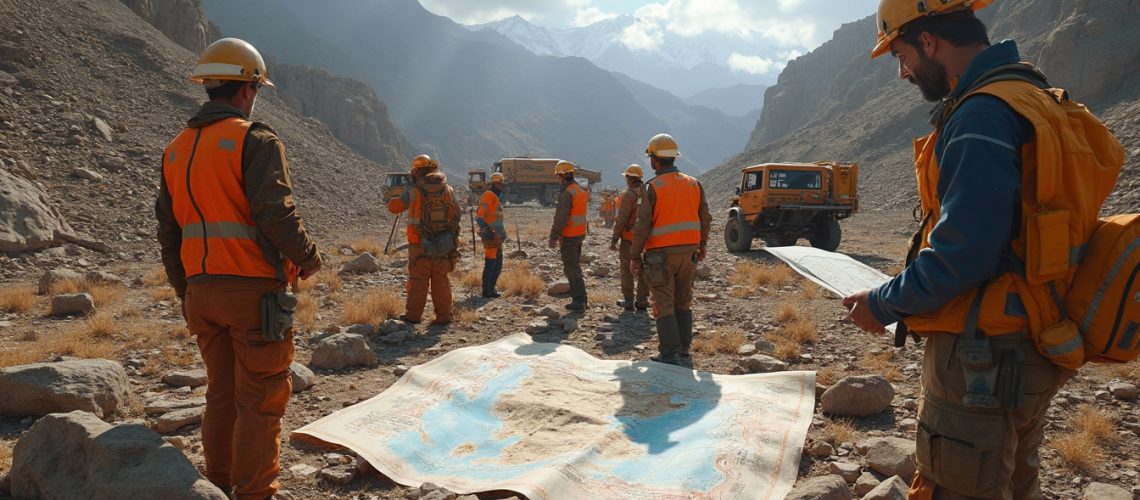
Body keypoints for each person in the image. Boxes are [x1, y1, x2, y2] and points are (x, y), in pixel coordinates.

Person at [844, 1, 1121, 498]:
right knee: (1015, 483)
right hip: (1037, 337)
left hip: (984, 354)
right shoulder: (1035, 97)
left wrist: (882, 304)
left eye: (901, 55)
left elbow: (963, 253)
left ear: (928, 41)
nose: (903, 72)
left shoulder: (982, 114)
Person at [155, 37, 322, 500]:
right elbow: (277, 214)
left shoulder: (175, 148)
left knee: (221, 394)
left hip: (201, 294)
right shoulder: (254, 139)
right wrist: (309, 258)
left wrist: (185, 291)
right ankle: (254, 493)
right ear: (248, 88)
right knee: (261, 400)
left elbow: (168, 234)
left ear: (209, 86)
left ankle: (220, 482)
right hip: (253, 294)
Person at [630, 134, 711, 365]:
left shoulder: (651, 187)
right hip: (689, 254)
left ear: (654, 159)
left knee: (664, 302)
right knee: (683, 301)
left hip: (661, 256)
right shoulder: (693, 183)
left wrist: (634, 256)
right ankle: (684, 349)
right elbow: (705, 217)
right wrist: (702, 244)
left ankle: (668, 353)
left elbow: (642, 225)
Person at [388, 154, 461, 325]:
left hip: (419, 244)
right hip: (444, 244)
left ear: (416, 172)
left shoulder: (414, 192)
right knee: (441, 280)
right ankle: (444, 316)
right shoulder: (448, 190)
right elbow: (458, 213)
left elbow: (393, 208)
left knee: (418, 281)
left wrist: (398, 196)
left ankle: (413, 316)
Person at [548, 160, 589, 311]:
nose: (558, 179)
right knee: (575, 267)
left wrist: (553, 235)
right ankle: (582, 298)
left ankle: (579, 301)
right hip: (578, 234)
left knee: (571, 268)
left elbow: (561, 217)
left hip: (570, 236)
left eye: (559, 176)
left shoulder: (567, 193)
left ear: (563, 176)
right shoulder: (579, 189)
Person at [610, 164, 649, 311]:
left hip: (629, 238)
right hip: (646, 239)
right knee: (644, 268)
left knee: (627, 268)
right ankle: (642, 301)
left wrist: (615, 238)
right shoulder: (648, 192)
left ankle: (628, 300)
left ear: (629, 178)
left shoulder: (629, 194)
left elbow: (622, 218)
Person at [476, 172, 507, 298]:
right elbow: (479, 217)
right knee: (491, 263)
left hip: (497, 237)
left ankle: (491, 288)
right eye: (499, 184)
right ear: (494, 184)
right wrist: (491, 233)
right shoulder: (488, 195)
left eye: (502, 184)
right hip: (491, 237)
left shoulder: (495, 197)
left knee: (497, 263)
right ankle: (486, 290)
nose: (501, 187)